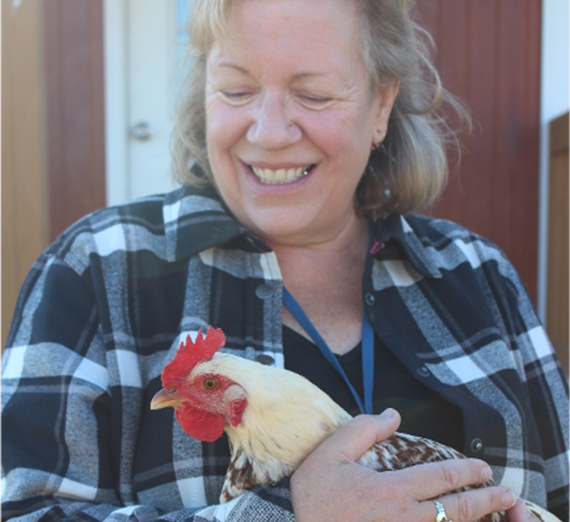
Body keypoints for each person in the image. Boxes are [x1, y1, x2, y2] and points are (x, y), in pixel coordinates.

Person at [2, 0, 568, 521]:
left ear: (381, 106)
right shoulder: (95, 269)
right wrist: (285, 513)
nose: (270, 133)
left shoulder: (475, 272)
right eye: (235, 90)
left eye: (314, 94)